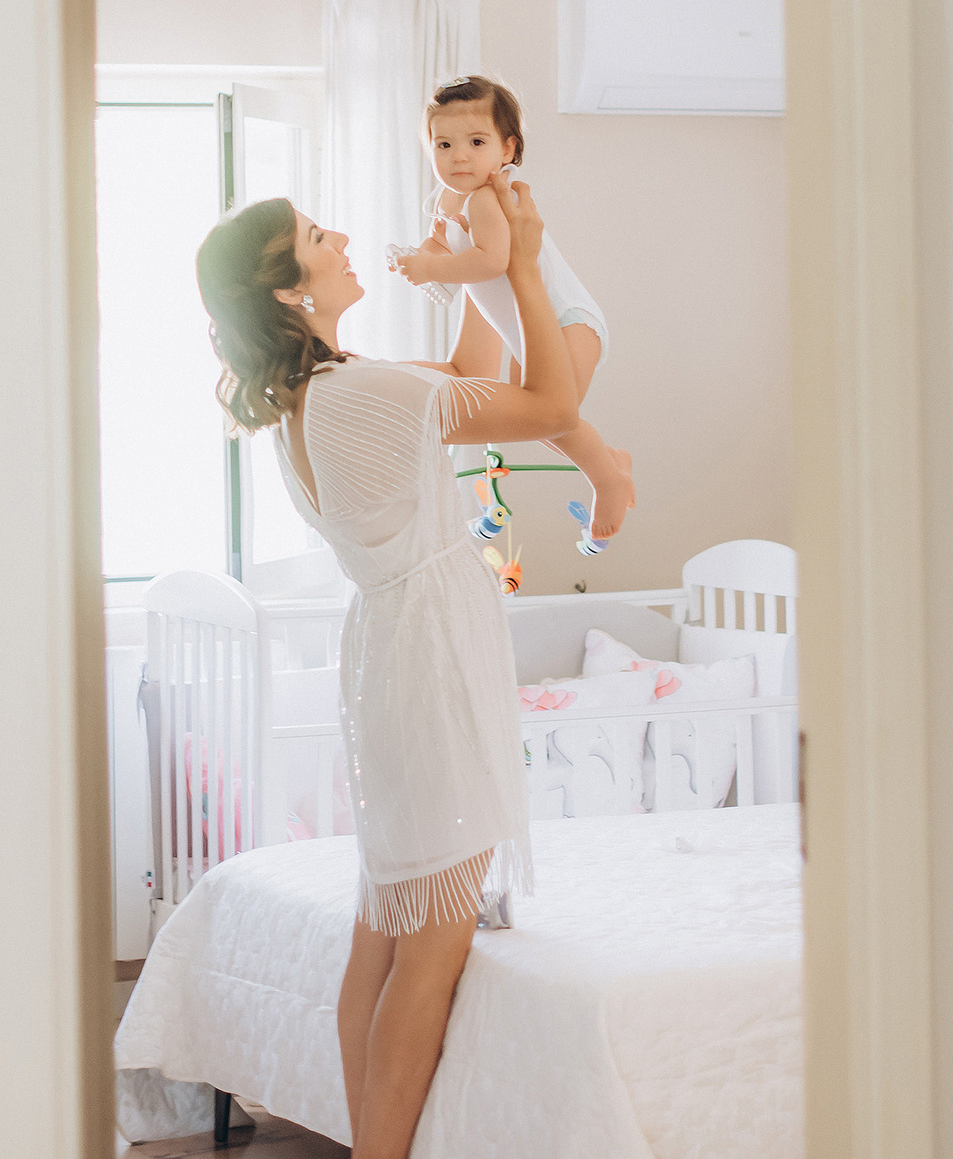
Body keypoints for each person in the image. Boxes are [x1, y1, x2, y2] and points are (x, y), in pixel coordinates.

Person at [194, 176, 579, 1158]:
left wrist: (474, 264)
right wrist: (527, 265)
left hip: (397, 654)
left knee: (389, 918)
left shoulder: (320, 395)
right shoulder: (360, 394)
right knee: (433, 938)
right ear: (291, 291)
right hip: (427, 661)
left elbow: (462, 365)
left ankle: (370, 1142)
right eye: (320, 236)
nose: (345, 238)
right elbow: (550, 401)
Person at [385, 74, 636, 547]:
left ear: (507, 149)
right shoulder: (448, 198)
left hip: (567, 322)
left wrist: (426, 268)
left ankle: (609, 480)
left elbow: (492, 261)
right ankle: (611, 459)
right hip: (527, 328)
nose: (458, 156)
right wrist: (422, 256)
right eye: (443, 144)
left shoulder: (486, 200)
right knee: (540, 423)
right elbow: (441, 242)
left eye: (475, 142)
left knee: (555, 417)